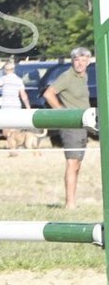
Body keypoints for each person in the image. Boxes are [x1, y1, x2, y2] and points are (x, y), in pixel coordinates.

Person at [42, 46, 93, 209]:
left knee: (77, 164)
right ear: (72, 61)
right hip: (71, 127)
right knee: (72, 163)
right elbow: (48, 93)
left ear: (88, 62)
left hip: (82, 125)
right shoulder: (67, 76)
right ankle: (69, 203)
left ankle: (72, 201)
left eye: (83, 60)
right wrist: (62, 112)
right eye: (77, 60)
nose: (80, 63)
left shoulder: (84, 76)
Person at [0, 57, 31, 155]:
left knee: (6, 131)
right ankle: (14, 148)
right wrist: (28, 107)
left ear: (5, 70)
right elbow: (23, 95)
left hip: (6, 107)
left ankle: (13, 149)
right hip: (16, 107)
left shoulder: (4, 79)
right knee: (14, 129)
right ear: (13, 70)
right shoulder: (19, 80)